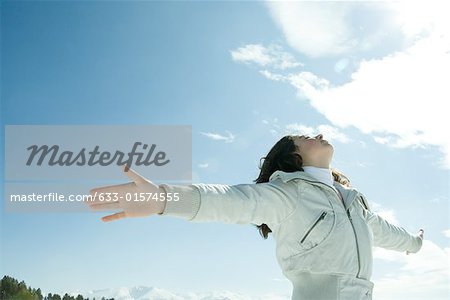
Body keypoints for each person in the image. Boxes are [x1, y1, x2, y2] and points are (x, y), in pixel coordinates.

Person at [87, 134, 424, 300]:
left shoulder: (353, 202)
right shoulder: (287, 195)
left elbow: (386, 231)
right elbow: (232, 201)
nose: (316, 134)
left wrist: (415, 244)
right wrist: (163, 198)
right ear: (293, 155)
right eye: (305, 137)